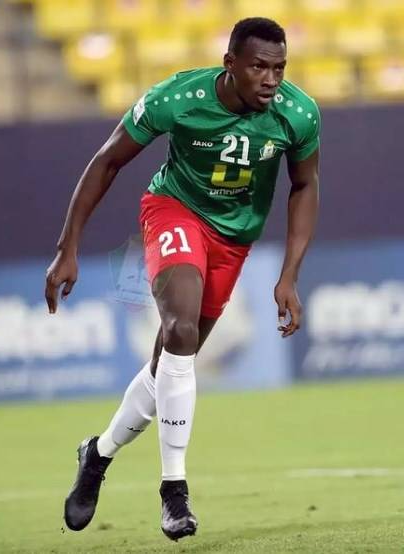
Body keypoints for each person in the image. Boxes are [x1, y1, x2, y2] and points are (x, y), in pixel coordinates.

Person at [45, 17, 320, 542]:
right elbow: (107, 161)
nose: (270, 79)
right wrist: (67, 247)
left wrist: (289, 274)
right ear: (230, 64)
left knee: (169, 365)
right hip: (175, 211)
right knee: (180, 330)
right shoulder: (177, 98)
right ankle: (174, 490)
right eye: (258, 67)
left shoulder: (298, 113)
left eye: (279, 68)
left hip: (234, 240)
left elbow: (305, 186)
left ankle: (97, 454)